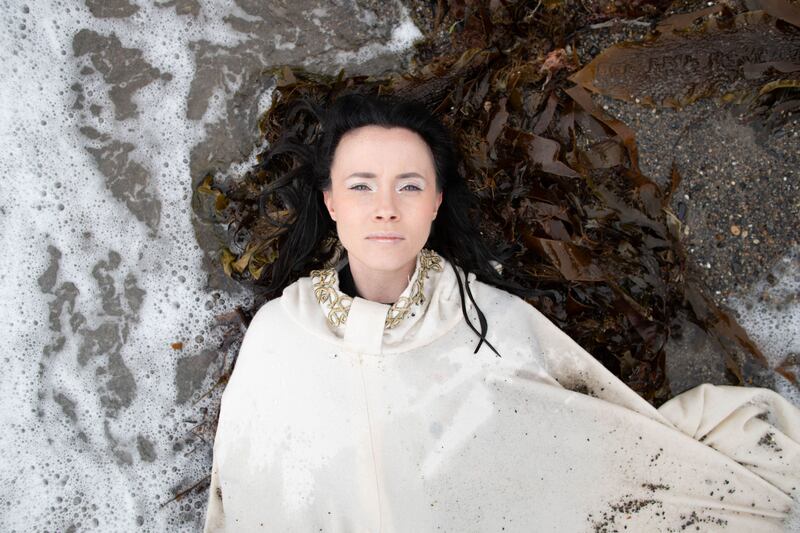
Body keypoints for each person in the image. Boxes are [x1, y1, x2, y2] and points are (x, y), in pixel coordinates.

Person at [203, 93, 799, 532]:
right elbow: (247, 489)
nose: (385, 208)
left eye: (408, 186)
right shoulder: (280, 335)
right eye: (362, 186)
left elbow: (586, 442)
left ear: (436, 201)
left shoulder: (491, 324)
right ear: (330, 200)